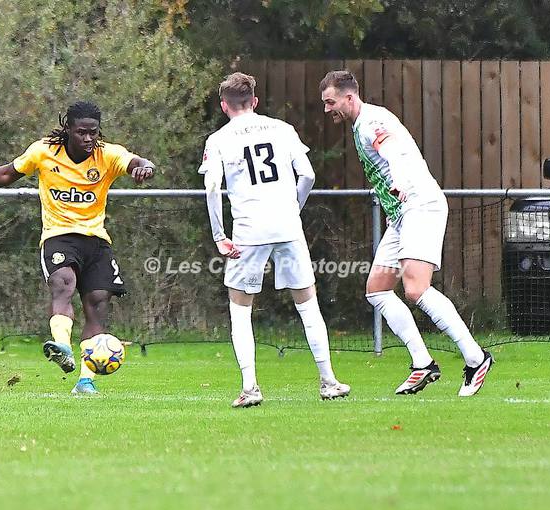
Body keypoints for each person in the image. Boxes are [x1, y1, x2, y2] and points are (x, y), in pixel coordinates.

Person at [0, 101, 155, 395]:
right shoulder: (43, 152)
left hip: (96, 240)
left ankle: (85, 381)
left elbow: (138, 162)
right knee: (63, 284)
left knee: (97, 304)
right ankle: (62, 347)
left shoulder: (108, 154)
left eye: (93, 132)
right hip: (59, 236)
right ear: (68, 128)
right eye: (81, 132)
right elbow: (6, 174)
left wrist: (145, 168)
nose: (88, 138)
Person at [319, 70, 493, 397]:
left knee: (415, 289)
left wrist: (398, 182)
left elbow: (393, 151)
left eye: (331, 102)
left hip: (419, 205)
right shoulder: (362, 122)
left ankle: (476, 358)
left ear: (349, 97)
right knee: (377, 290)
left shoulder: (371, 122)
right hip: (400, 215)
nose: (327, 109)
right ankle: (422, 363)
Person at [200, 72, 350, 408]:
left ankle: (250, 388)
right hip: (287, 226)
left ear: (224, 106)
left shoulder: (219, 139)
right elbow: (308, 174)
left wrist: (219, 236)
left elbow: (211, 188)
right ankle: (329, 381)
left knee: (240, 310)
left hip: (248, 230)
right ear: (254, 101)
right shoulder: (282, 129)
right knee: (308, 305)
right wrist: (293, 208)